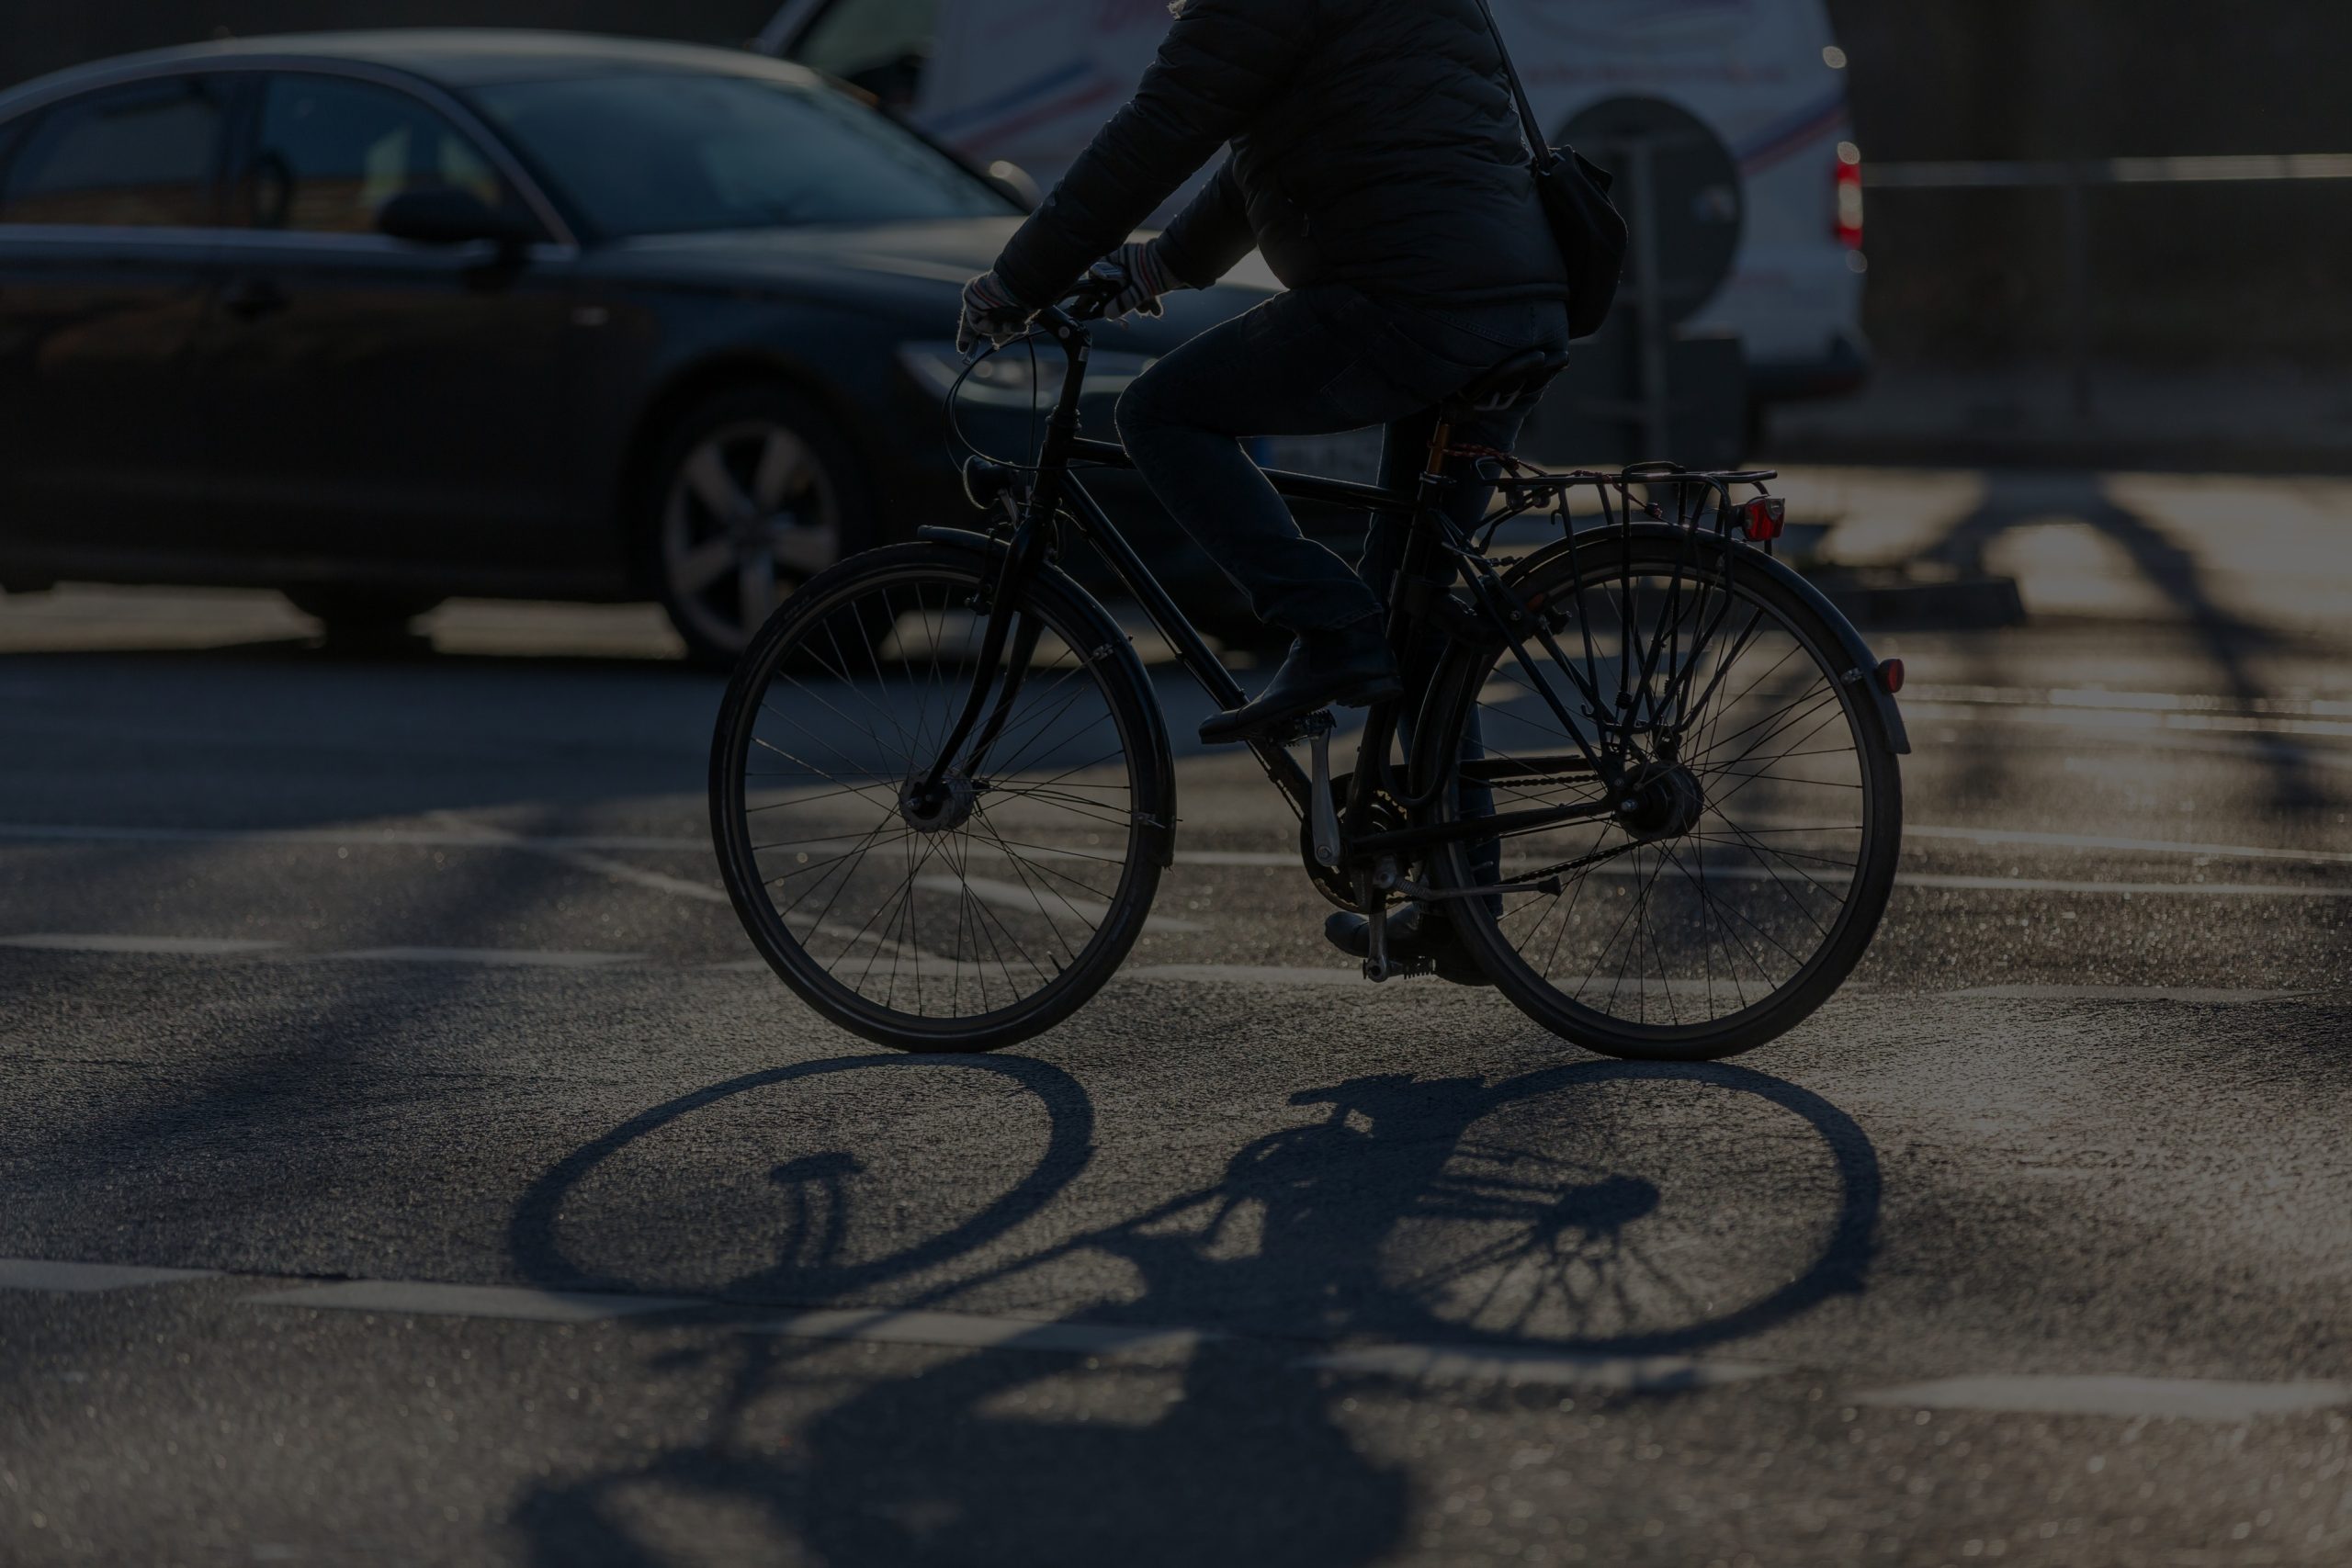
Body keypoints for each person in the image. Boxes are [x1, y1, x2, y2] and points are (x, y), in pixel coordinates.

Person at [957, 0, 1572, 980]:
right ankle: (1464, 908)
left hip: (1408, 299)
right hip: (1516, 299)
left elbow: (1161, 128)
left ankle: (1327, 627)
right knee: (1415, 608)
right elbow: (1296, 139)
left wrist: (1014, 282)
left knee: (1159, 413)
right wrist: (1157, 266)